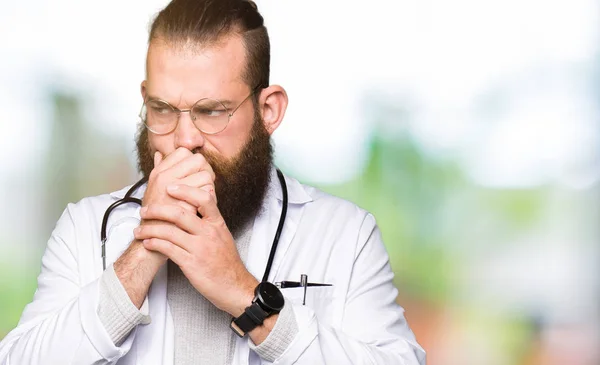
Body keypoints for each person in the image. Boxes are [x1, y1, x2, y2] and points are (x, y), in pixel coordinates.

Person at [0, 0, 425, 364]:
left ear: (269, 110)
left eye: (212, 111)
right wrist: (144, 252)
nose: (185, 139)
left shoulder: (345, 236)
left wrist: (244, 295)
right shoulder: (83, 227)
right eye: (163, 109)